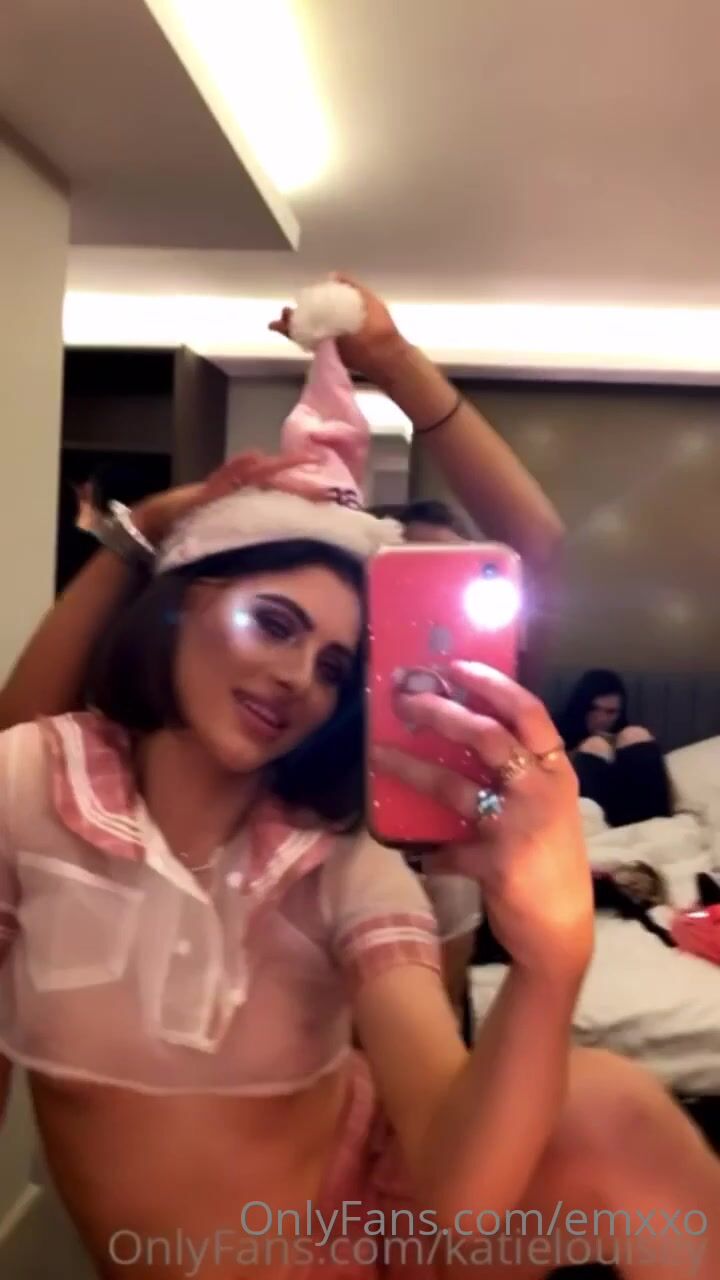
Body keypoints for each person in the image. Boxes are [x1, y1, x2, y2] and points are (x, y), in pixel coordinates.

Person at [0, 281, 717, 1280]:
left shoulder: (334, 856)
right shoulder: (42, 782)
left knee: (611, 1107)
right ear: (181, 602)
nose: (302, 675)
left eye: (340, 664)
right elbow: (20, 740)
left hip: (388, 1149)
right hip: (289, 1179)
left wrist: (553, 952)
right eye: (273, 622)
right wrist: (142, 530)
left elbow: (458, 1176)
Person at [557, 669, 674, 828]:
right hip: (591, 812)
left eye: (610, 712)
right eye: (593, 709)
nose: (601, 718)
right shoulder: (557, 728)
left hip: (634, 811)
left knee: (635, 734)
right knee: (596, 745)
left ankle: (656, 827)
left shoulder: (626, 736)